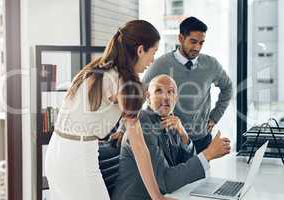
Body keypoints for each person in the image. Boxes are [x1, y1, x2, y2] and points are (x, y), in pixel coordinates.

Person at [45, 20, 176, 200]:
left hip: (55, 152)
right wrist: (157, 196)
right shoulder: (126, 83)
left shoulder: (93, 69)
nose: (152, 61)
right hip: (79, 158)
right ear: (140, 50)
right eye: (153, 53)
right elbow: (138, 145)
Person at [111, 75, 231, 200]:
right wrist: (208, 154)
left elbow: (183, 166)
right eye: (158, 91)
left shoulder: (170, 121)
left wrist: (183, 135)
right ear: (148, 97)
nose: (166, 97)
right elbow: (165, 181)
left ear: (176, 98)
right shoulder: (142, 125)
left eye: (171, 92)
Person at [142, 17, 233, 153]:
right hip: (172, 139)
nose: (197, 47)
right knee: (175, 174)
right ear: (180, 38)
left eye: (201, 43)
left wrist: (214, 117)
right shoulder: (160, 65)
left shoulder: (211, 64)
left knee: (203, 174)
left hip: (202, 139)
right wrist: (125, 129)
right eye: (193, 42)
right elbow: (141, 95)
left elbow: (228, 88)